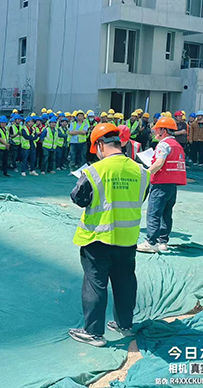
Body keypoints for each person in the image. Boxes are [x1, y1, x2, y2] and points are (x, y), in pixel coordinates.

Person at [69, 123, 150, 347]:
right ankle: (125, 325)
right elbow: (141, 197)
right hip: (127, 238)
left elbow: (79, 198)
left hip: (97, 238)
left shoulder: (94, 171)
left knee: (95, 284)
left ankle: (94, 333)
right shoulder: (141, 172)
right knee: (125, 282)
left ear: (100, 145)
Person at [137, 117, 186, 253]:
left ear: (163, 131)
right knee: (166, 213)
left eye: (157, 129)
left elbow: (159, 163)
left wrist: (146, 174)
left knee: (153, 213)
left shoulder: (163, 145)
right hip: (172, 185)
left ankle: (151, 242)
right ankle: (162, 241)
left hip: (160, 184)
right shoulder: (177, 145)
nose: (154, 132)